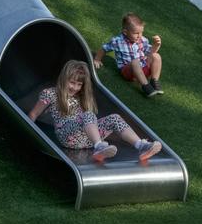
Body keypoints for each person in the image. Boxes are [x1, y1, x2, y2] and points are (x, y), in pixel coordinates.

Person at [27, 60, 162, 166]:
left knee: (114, 118)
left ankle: (141, 146)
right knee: (88, 114)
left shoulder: (80, 97)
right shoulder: (50, 93)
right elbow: (34, 114)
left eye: (79, 84)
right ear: (63, 79)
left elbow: (88, 121)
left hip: (86, 139)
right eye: (72, 82)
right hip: (66, 136)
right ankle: (99, 147)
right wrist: (30, 136)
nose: (75, 88)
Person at [101, 13, 165, 96]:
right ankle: (146, 86)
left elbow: (151, 53)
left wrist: (156, 45)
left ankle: (154, 82)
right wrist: (97, 59)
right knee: (135, 62)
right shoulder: (117, 41)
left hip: (142, 68)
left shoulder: (142, 40)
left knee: (156, 56)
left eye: (141, 32)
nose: (139, 36)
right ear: (125, 32)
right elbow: (104, 48)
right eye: (136, 33)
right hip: (128, 72)